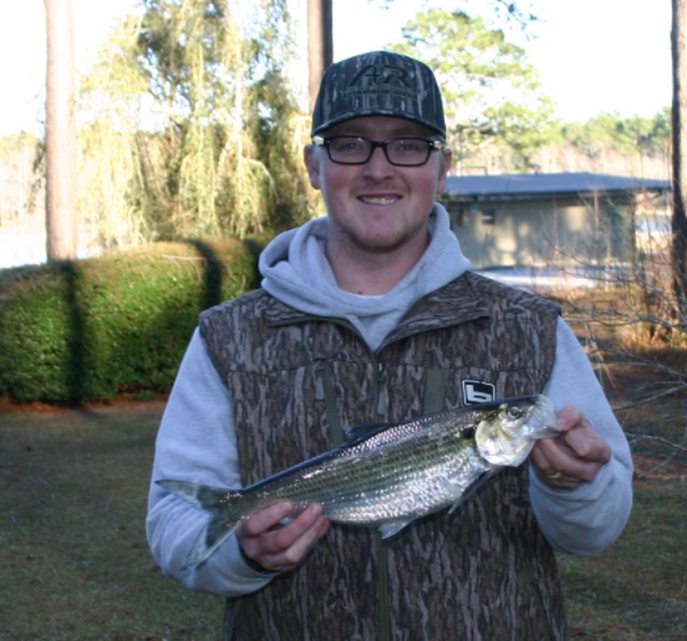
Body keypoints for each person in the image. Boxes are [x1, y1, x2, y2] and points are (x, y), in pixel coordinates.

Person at [147, 50, 633, 641]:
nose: (379, 168)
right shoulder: (229, 337)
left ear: (443, 167)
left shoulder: (529, 327)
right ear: (314, 165)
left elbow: (598, 530)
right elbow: (177, 522)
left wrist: (573, 486)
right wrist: (243, 556)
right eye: (351, 143)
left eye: (408, 144)